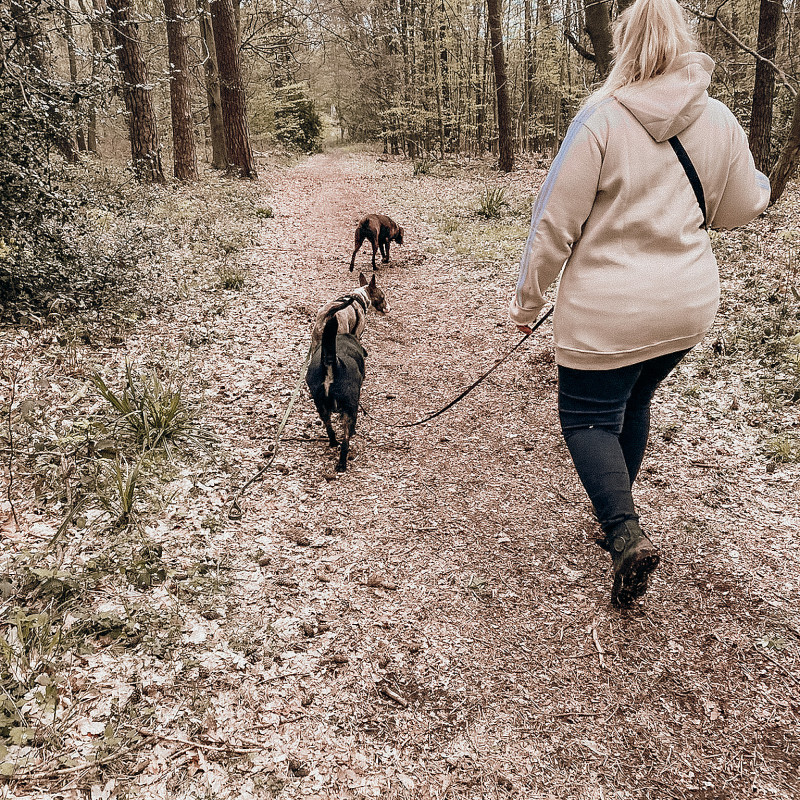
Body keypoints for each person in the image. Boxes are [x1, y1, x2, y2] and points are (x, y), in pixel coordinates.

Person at [509, 0, 770, 607]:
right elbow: (738, 210)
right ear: (683, 42)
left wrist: (528, 301)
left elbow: (554, 220)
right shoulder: (721, 120)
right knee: (634, 397)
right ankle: (617, 511)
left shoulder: (601, 117)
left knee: (586, 417)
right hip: (685, 307)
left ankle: (624, 532)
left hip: (609, 309)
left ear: (626, 44)